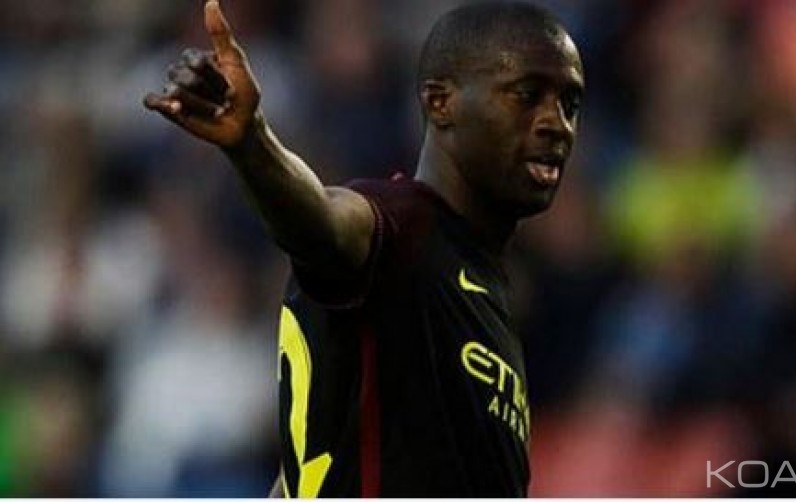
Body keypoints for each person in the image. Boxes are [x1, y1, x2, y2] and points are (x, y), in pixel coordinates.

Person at [143, 0, 583, 497]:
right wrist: (253, 145)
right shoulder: (403, 226)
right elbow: (325, 221)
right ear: (441, 102)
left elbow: (307, 470)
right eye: (527, 95)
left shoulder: (482, 286)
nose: (557, 123)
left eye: (570, 104)